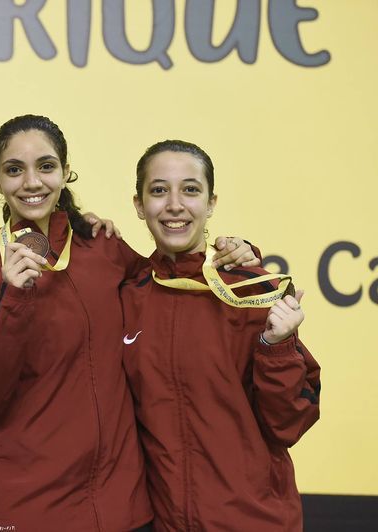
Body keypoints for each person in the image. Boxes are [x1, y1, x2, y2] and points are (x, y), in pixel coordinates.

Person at [0, 115, 257, 531]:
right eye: (14, 169)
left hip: (121, 510)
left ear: (66, 171)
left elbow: (173, 279)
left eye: (46, 166)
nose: (32, 182)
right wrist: (11, 301)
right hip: (23, 510)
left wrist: (233, 255)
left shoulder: (102, 248)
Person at [121, 139, 321, 531]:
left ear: (211, 203)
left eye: (190, 190)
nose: (175, 204)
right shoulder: (126, 295)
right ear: (139, 205)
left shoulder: (252, 291)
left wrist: (276, 347)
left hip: (255, 521)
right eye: (159, 190)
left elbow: (290, 424)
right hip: (165, 522)